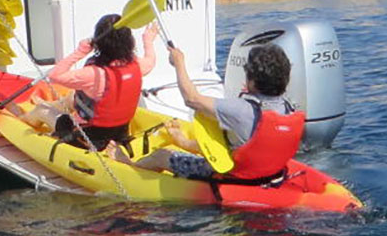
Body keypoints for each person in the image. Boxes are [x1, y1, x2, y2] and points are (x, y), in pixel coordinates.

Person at [123, 42, 306, 185]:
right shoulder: (289, 108)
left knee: (161, 155)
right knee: (230, 137)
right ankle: (183, 142)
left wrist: (179, 63)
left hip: (235, 178)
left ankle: (129, 167)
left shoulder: (239, 110)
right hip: (271, 174)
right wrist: (184, 143)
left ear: (252, 80)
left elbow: (191, 99)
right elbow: (240, 143)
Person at [23, 12, 160, 149]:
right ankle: (49, 104)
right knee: (73, 97)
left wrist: (80, 51)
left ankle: (23, 119)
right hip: (119, 132)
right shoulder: (138, 66)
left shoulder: (92, 74)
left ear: (99, 42)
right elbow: (151, 61)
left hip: (87, 137)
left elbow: (55, 76)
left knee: (41, 110)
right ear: (129, 41)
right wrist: (148, 40)